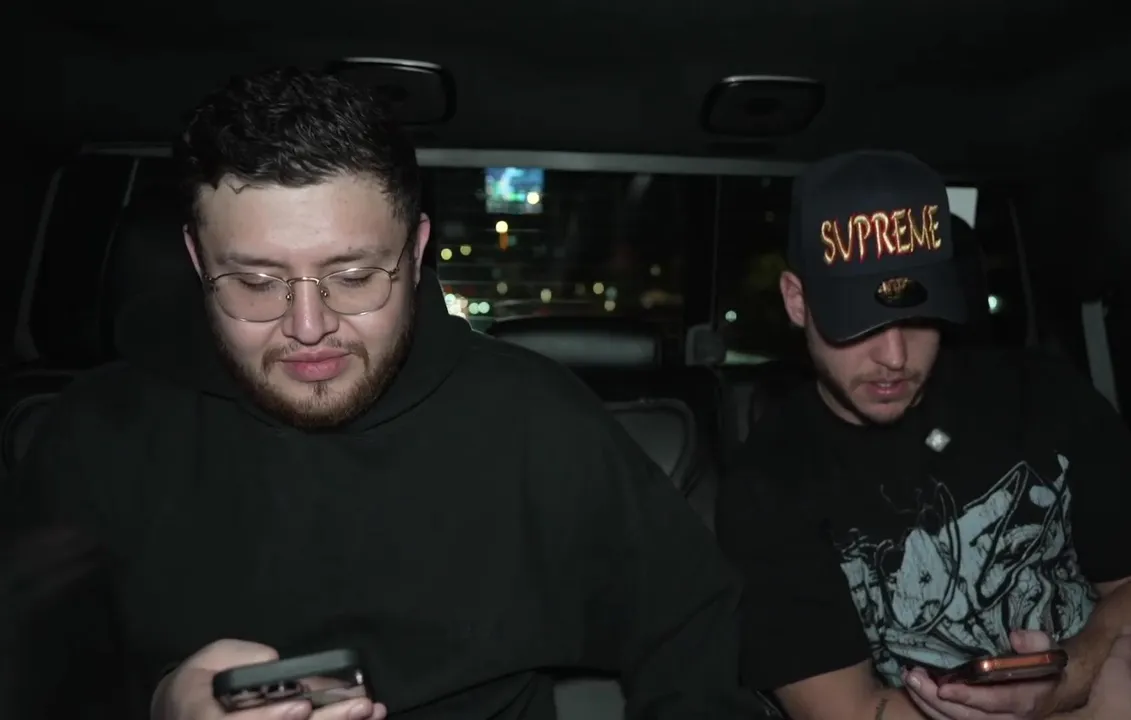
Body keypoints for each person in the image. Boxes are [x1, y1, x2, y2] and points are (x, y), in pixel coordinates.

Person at [6, 67, 764, 720]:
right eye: (256, 282)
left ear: (418, 250)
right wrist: (162, 704)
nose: (309, 327)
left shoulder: (534, 418)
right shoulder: (97, 433)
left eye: (354, 276)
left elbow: (690, 622)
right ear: (197, 260)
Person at [715, 150, 1131, 720]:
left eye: (917, 316)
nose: (894, 356)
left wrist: (1064, 682)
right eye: (859, 322)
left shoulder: (1041, 394)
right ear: (798, 301)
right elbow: (848, 712)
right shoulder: (768, 485)